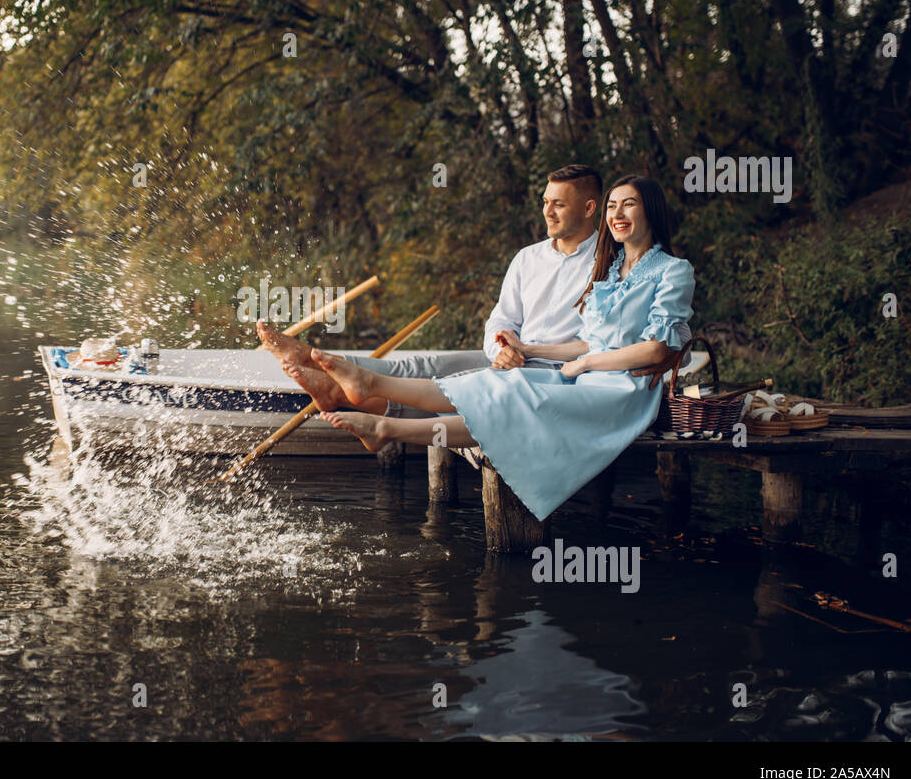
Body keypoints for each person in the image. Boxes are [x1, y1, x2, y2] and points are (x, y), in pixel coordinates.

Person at [287, 174, 695, 522]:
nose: (617, 215)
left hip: (624, 391)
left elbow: (658, 349)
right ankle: (373, 389)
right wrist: (531, 349)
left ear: (650, 211)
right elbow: (587, 342)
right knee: (491, 385)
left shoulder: (673, 271)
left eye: (629, 205)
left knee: (517, 394)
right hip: (587, 376)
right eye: (613, 206)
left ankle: (384, 420)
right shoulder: (610, 272)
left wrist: (586, 362)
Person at [257, 164, 683, 417]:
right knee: (424, 363)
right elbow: (501, 318)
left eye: (558, 203)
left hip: (553, 369)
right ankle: (324, 364)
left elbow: (636, 327)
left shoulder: (610, 260)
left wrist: (665, 353)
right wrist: (499, 345)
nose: (546, 210)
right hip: (514, 355)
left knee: (460, 383)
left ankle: (350, 395)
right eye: (545, 200)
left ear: (589, 208)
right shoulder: (528, 257)